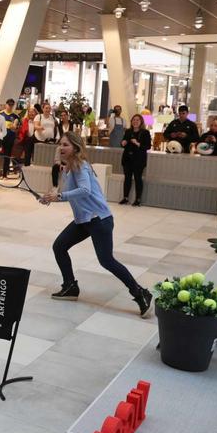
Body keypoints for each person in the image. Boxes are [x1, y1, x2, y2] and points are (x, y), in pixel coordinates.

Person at [39, 131, 153, 318]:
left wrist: (59, 195)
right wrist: (50, 198)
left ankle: (140, 293)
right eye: (60, 144)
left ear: (75, 147)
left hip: (99, 220)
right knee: (59, 246)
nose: (61, 147)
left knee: (106, 261)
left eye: (65, 144)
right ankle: (70, 286)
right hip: (84, 220)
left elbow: (85, 190)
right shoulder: (69, 168)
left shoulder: (80, 166)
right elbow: (73, 195)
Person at [119, 114, 151, 206]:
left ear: (141, 122)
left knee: (138, 178)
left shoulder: (145, 132)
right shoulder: (128, 131)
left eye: (137, 120)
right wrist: (123, 143)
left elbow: (148, 146)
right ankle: (125, 198)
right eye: (134, 120)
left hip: (139, 159)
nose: (135, 122)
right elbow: (123, 143)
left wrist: (137, 143)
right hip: (127, 158)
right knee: (127, 178)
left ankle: (138, 199)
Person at [0, 99, 20, 178]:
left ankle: (5, 174)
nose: (10, 106)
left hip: (10, 138)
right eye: (9, 104)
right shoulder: (0, 114)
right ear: (6, 104)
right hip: (0, 137)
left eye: (12, 105)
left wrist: (14, 127)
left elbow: (15, 127)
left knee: (7, 155)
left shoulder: (15, 116)